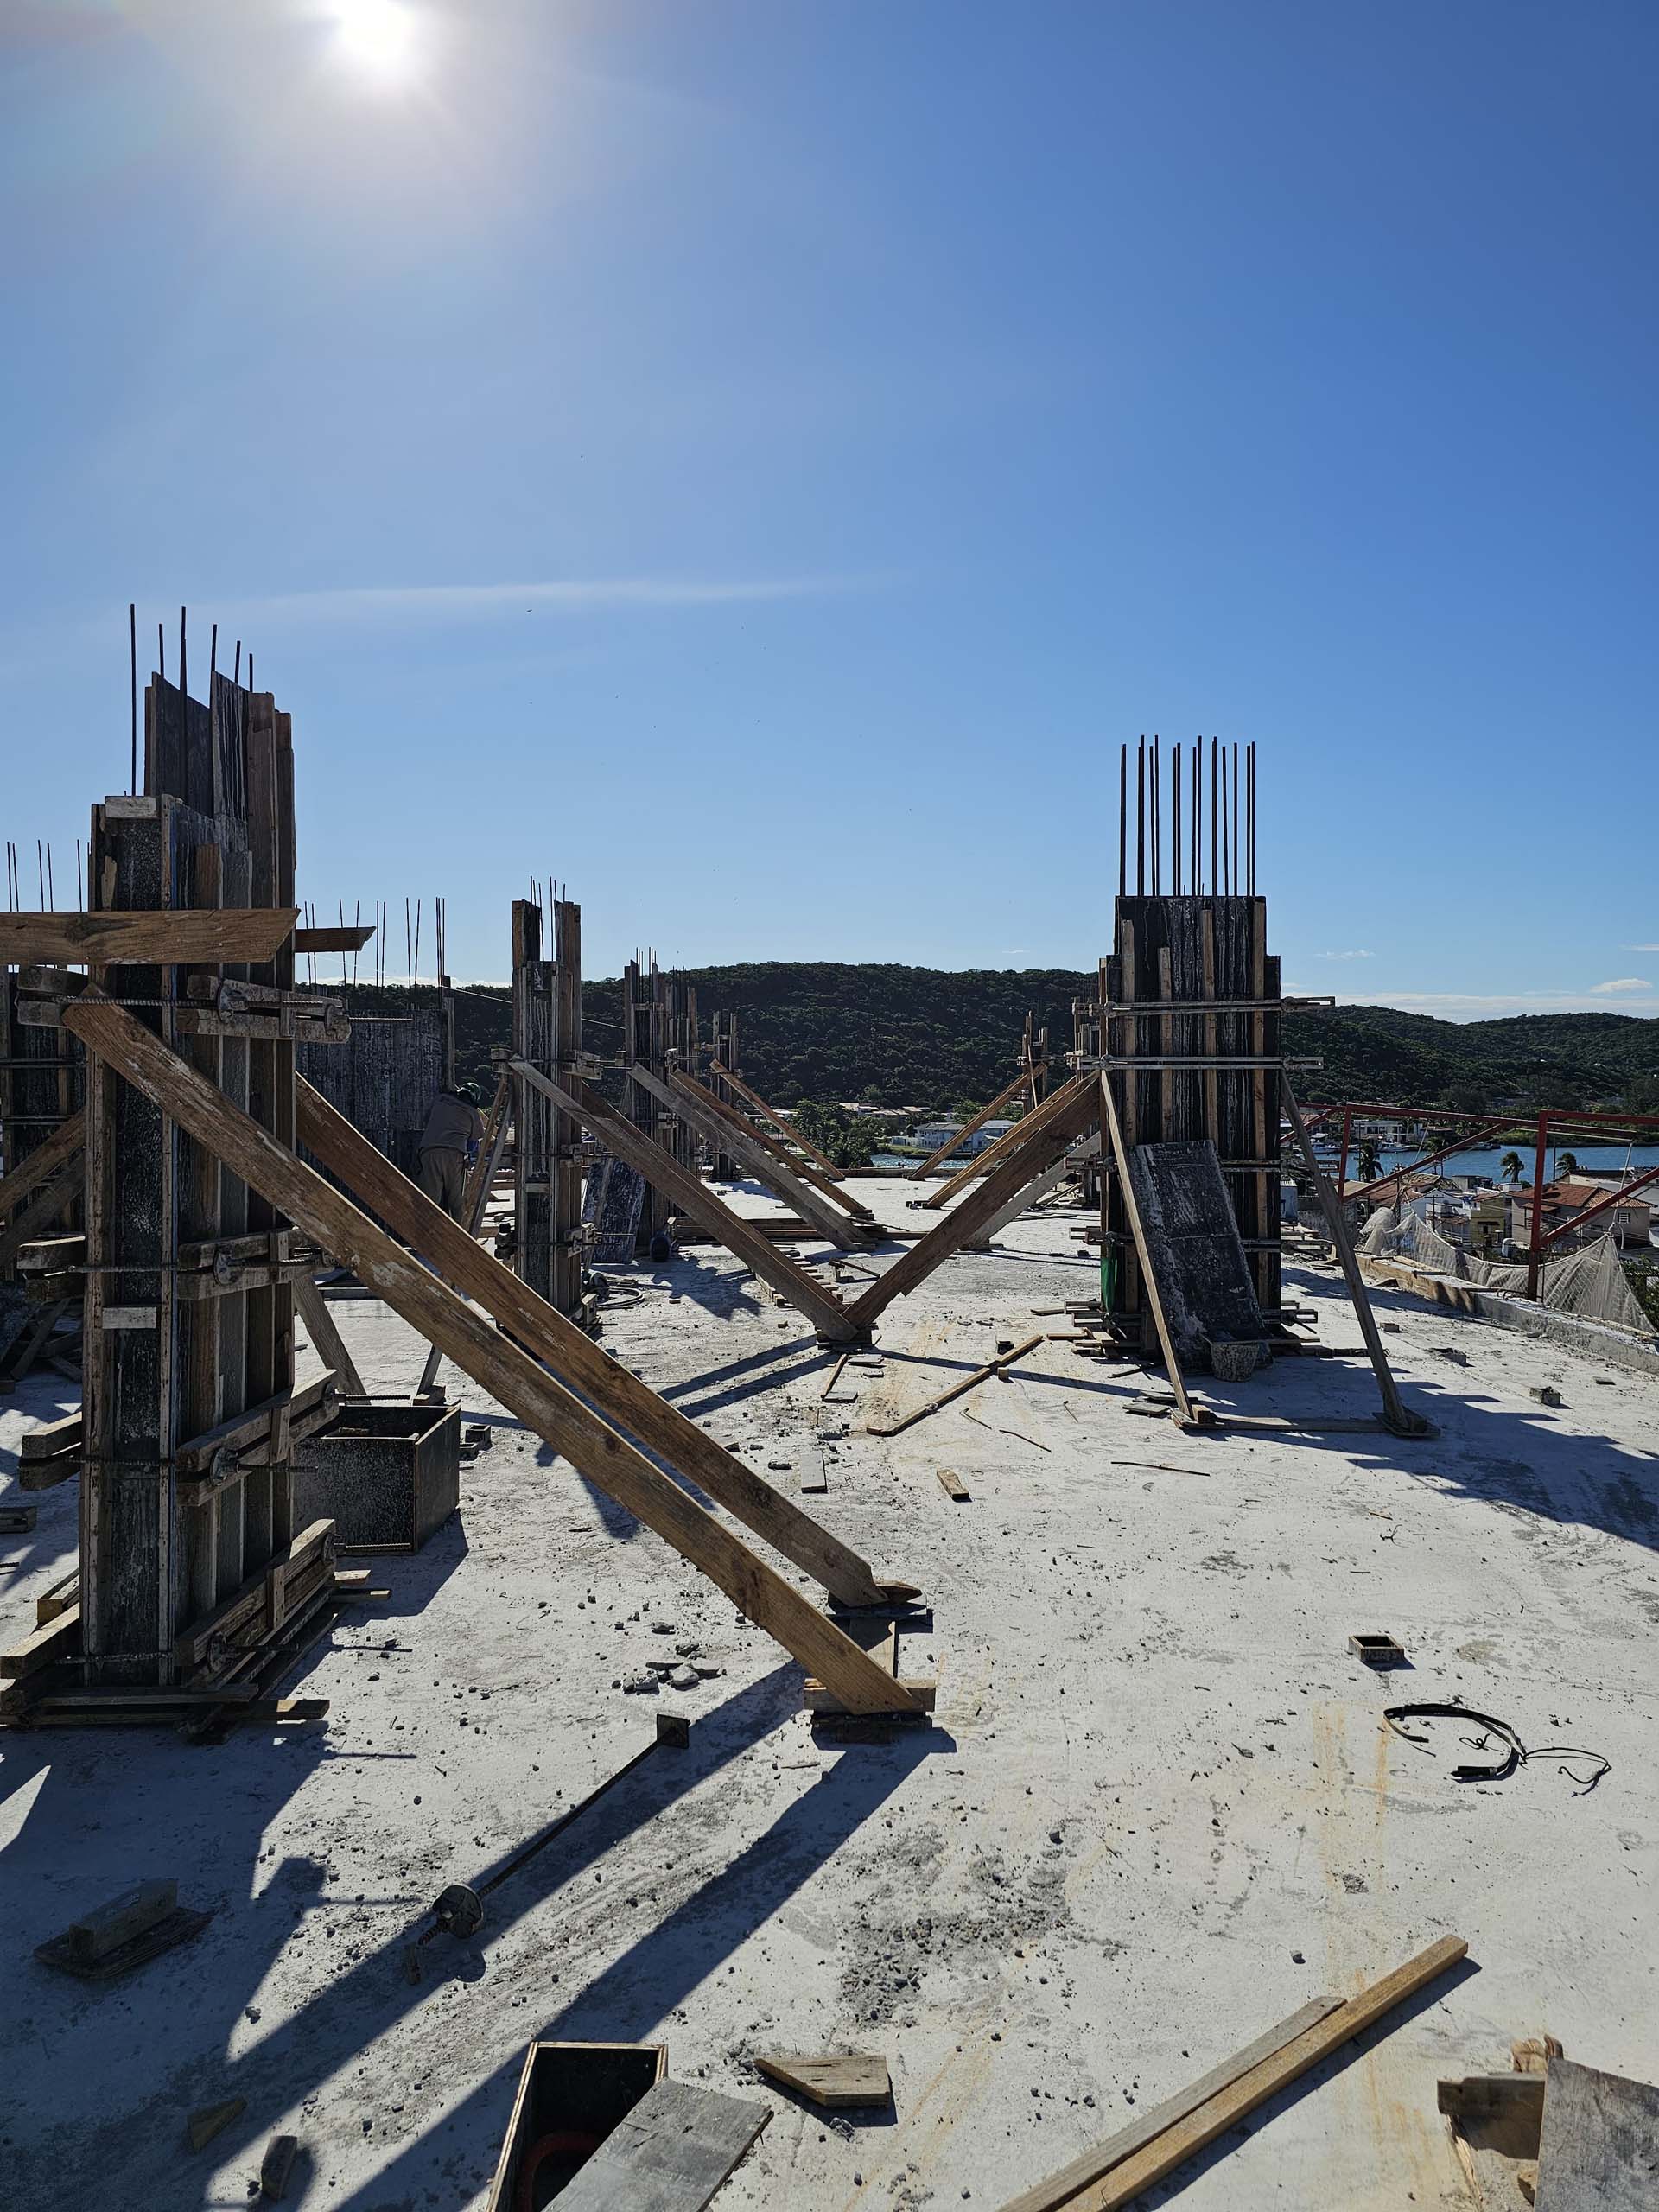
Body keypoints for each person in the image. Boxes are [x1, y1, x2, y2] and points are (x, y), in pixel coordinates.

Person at [419, 1079, 484, 1217]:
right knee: (456, 1199)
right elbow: (473, 1144)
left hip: (429, 1151)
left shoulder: (440, 1100)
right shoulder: (472, 1112)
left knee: (430, 1199)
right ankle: (459, 1228)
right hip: (454, 1155)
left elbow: (427, 1120)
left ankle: (427, 1228)